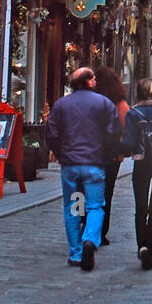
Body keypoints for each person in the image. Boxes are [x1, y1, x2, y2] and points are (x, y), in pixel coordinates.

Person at [46, 66, 119, 270]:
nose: (96, 81)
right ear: (88, 81)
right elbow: (113, 132)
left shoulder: (61, 105)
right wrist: (106, 154)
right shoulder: (103, 103)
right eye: (93, 78)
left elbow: (51, 133)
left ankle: (76, 252)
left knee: (74, 207)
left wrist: (62, 155)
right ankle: (90, 239)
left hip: (71, 167)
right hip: (93, 165)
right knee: (95, 206)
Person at [121, 77, 152, 269]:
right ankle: (150, 246)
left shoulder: (133, 113)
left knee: (140, 206)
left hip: (141, 161)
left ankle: (142, 246)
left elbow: (129, 143)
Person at [93, 66, 129, 246]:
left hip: (91, 153)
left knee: (87, 190)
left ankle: (86, 223)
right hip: (113, 155)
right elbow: (127, 124)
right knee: (107, 192)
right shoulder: (119, 104)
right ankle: (102, 230)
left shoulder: (92, 102)